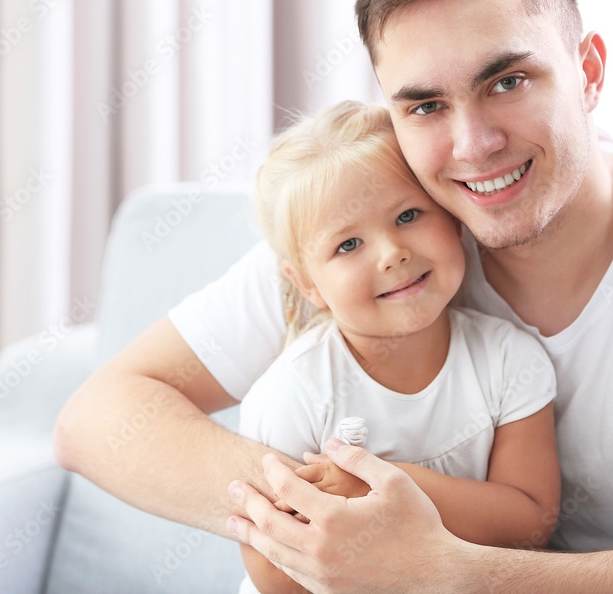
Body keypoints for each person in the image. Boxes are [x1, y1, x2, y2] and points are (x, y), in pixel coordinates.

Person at [55, 0, 613, 592]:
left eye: (507, 81)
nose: (473, 146)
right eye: (426, 104)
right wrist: (324, 507)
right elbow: (97, 418)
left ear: (589, 72)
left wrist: (447, 571)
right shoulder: (382, 235)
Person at [236, 100, 559, 594]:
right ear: (307, 285)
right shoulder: (293, 393)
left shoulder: (510, 361)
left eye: (408, 215)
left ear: (453, 219)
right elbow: (272, 573)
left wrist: (381, 487)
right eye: (348, 245)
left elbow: (530, 523)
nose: (392, 254)